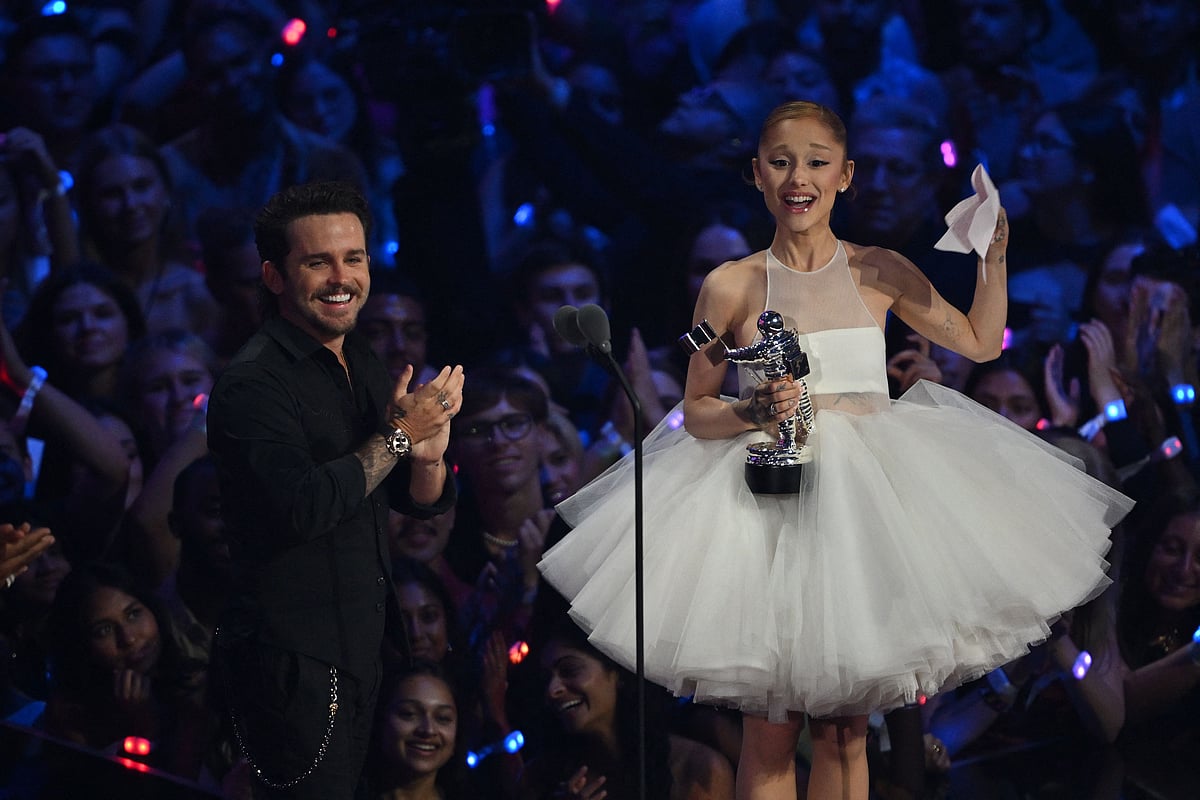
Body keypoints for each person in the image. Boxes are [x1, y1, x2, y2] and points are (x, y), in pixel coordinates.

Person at [538, 100, 1132, 800]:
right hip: (765, 499)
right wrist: (751, 408)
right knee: (769, 729)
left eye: (817, 162)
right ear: (755, 173)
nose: (800, 177)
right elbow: (695, 409)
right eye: (782, 161)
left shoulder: (883, 271)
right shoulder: (726, 286)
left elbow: (977, 342)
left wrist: (994, 261)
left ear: (845, 175)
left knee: (847, 729)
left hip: (864, 505)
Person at [206, 181, 463, 799]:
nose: (340, 278)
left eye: (354, 258)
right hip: (292, 666)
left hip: (365, 651)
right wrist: (401, 434)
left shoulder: (363, 361)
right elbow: (306, 504)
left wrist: (427, 459)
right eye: (317, 262)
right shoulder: (253, 384)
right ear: (273, 276)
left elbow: (411, 500)